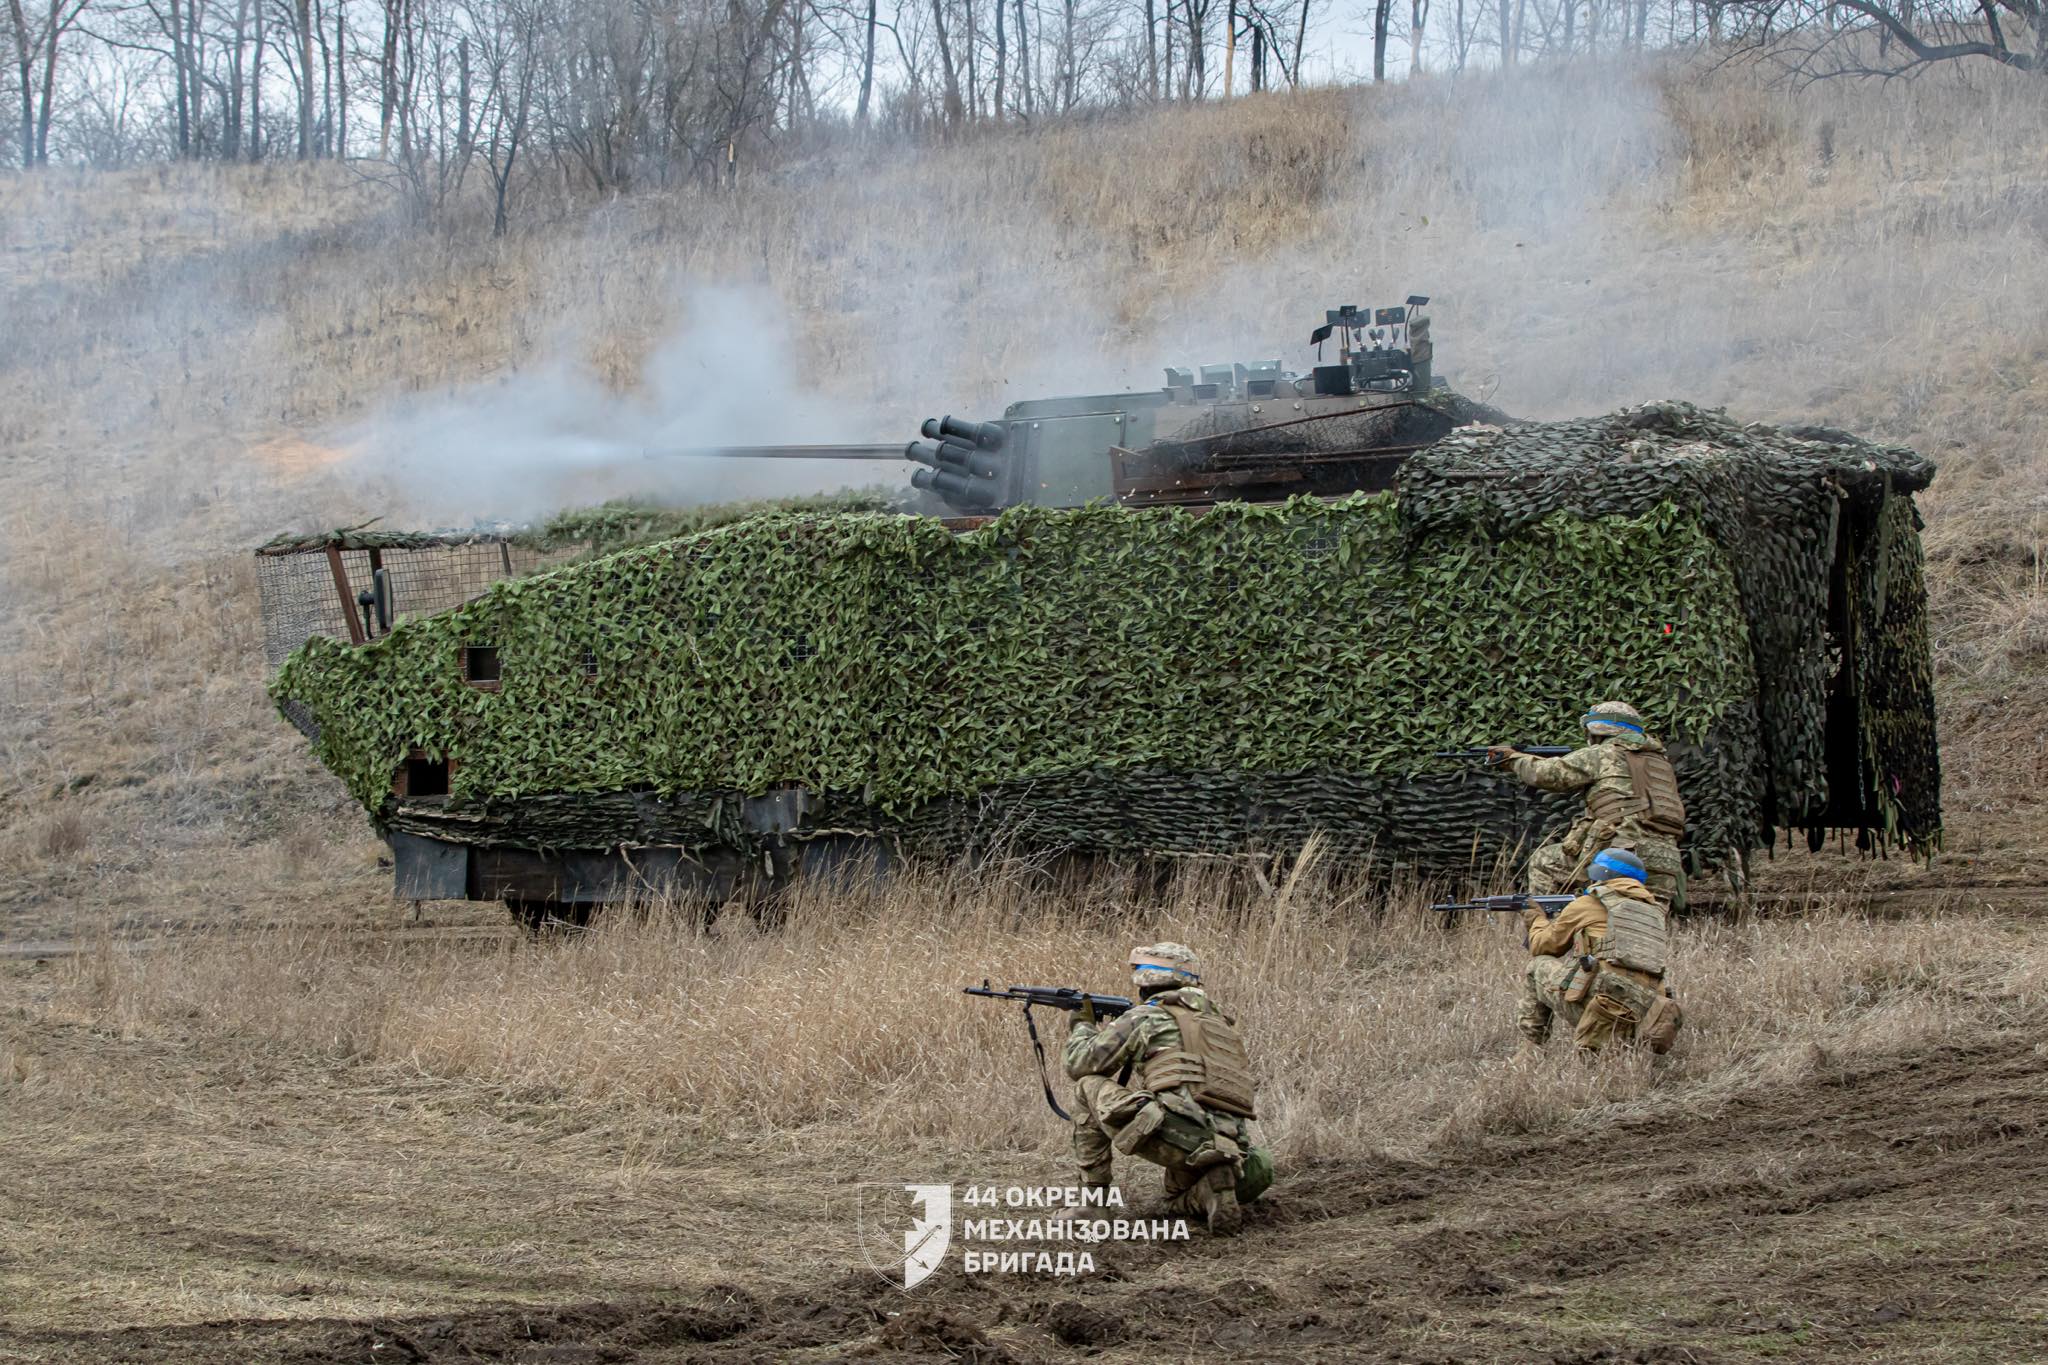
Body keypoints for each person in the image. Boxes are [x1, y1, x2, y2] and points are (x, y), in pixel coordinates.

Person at [1062, 942, 1271, 1235]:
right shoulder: (1223, 1026)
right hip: (1230, 1147)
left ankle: (1093, 1204)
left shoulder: (1145, 1017)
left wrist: (1082, 1024)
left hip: (1175, 1137)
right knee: (1173, 1198)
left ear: (1146, 983)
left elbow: (1080, 1064)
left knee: (1087, 1087)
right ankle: (1211, 1190)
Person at [1490, 700, 1688, 903]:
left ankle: (1551, 930)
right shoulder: (1660, 763)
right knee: (1647, 918)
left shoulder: (1603, 754)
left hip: (1620, 853)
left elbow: (1549, 774)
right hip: (1666, 860)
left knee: (1544, 862)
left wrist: (1512, 759)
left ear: (1596, 731)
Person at [1517, 847, 1684, 1055]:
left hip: (1604, 1007)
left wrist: (1536, 919)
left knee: (1536, 966)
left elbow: (1544, 945)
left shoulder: (1589, 902)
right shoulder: (1655, 912)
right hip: (1648, 1015)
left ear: (1602, 874)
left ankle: (1530, 1050)